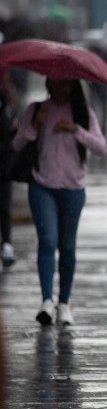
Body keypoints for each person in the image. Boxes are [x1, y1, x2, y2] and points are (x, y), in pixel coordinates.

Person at [12, 78, 107, 326]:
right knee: (47, 241)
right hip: (42, 186)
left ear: (73, 85)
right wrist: (35, 125)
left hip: (73, 189)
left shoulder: (83, 113)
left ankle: (64, 303)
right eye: (56, 83)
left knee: (67, 246)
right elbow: (18, 143)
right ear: (48, 82)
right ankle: (46, 300)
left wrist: (75, 129)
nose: (61, 88)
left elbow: (101, 147)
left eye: (66, 84)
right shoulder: (36, 109)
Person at [0, 67, 19, 267]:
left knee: (4, 203)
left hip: (4, 159)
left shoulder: (6, 96)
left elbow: (12, 125)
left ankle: (6, 242)